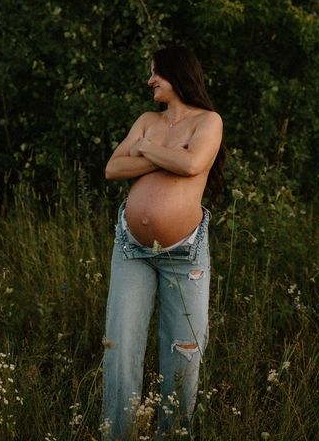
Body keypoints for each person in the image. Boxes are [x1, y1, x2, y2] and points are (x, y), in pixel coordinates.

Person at [101, 46, 226, 440]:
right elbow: (113, 168)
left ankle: (173, 435)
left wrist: (147, 149)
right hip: (131, 249)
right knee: (120, 350)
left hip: (184, 253)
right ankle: (116, 435)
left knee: (183, 353)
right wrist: (168, 154)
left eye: (157, 73)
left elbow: (192, 165)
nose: (150, 80)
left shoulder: (208, 121)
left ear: (179, 76)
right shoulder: (146, 119)